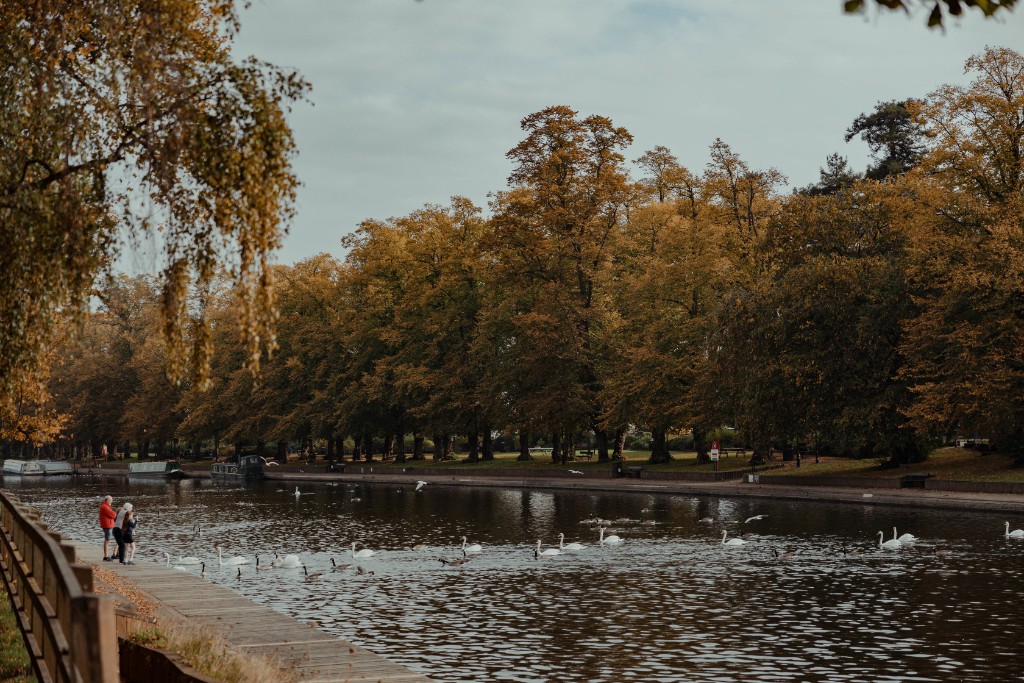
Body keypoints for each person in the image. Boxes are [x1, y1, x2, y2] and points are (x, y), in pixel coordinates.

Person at [99, 496, 116, 561]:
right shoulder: (105, 507)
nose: (112, 501)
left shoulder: (105, 506)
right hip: (107, 525)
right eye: (111, 500)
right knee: (107, 540)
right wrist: (114, 512)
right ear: (107, 500)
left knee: (107, 540)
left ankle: (106, 555)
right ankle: (106, 556)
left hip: (107, 524)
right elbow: (114, 515)